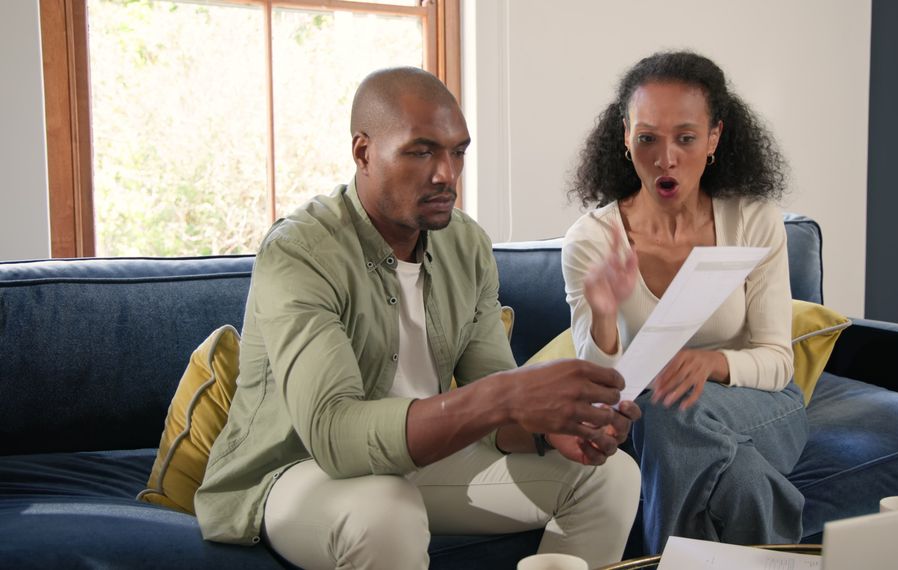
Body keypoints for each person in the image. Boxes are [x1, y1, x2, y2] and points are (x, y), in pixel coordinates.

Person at [194, 67, 641, 570]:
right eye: (422, 151)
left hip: (419, 461)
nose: (447, 173)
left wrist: (545, 428)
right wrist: (506, 397)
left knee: (611, 477)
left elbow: (495, 407)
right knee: (387, 510)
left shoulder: (465, 245)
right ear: (363, 152)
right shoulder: (301, 252)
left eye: (458, 152)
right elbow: (333, 433)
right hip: (295, 470)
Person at [561, 51, 808, 554]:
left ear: (714, 137)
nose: (665, 158)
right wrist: (604, 314)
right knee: (735, 475)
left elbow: (779, 363)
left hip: (761, 407)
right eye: (647, 137)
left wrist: (711, 362)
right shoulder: (592, 240)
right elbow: (601, 394)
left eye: (686, 138)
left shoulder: (754, 221)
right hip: (648, 418)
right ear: (625, 135)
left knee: (665, 406)